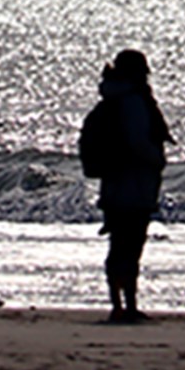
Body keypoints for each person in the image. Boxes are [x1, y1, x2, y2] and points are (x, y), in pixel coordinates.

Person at [78, 50, 172, 324]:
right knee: (130, 247)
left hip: (114, 184)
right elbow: (139, 143)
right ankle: (127, 305)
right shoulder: (133, 102)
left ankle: (119, 304)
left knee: (119, 245)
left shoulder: (112, 100)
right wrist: (157, 161)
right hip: (135, 184)